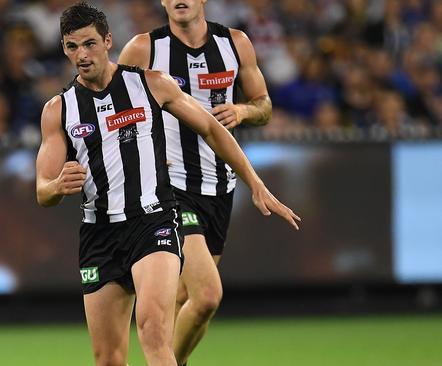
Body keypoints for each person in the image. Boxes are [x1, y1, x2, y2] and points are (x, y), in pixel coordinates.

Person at [36, 2, 299, 365]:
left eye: (90, 44)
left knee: (157, 333)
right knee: (109, 358)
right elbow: (42, 190)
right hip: (100, 233)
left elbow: (210, 127)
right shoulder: (58, 110)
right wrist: (56, 186)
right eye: (72, 47)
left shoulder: (150, 83)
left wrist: (254, 181)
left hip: (154, 220)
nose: (82, 55)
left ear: (108, 41)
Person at [118, 1, 274, 364]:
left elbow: (264, 105)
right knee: (206, 296)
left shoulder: (236, 43)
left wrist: (243, 110)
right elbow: (118, 109)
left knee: (184, 297)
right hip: (170, 188)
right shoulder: (145, 49)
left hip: (219, 186)